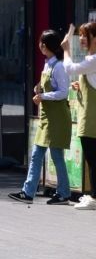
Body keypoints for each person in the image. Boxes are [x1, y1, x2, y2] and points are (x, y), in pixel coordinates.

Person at [8, 30, 72, 205]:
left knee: (55, 155)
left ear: (48, 45)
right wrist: (39, 89)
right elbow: (49, 87)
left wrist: (42, 96)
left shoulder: (58, 67)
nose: (40, 45)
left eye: (42, 42)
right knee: (38, 154)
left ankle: (61, 193)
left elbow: (63, 93)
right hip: (47, 117)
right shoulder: (48, 65)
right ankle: (31, 192)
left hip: (57, 118)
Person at [61, 22, 96, 210]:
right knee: (91, 155)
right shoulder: (94, 58)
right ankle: (93, 195)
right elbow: (91, 83)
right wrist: (79, 86)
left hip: (92, 113)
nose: (82, 39)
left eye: (85, 35)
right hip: (89, 111)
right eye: (81, 35)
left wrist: (66, 50)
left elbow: (69, 69)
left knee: (92, 155)